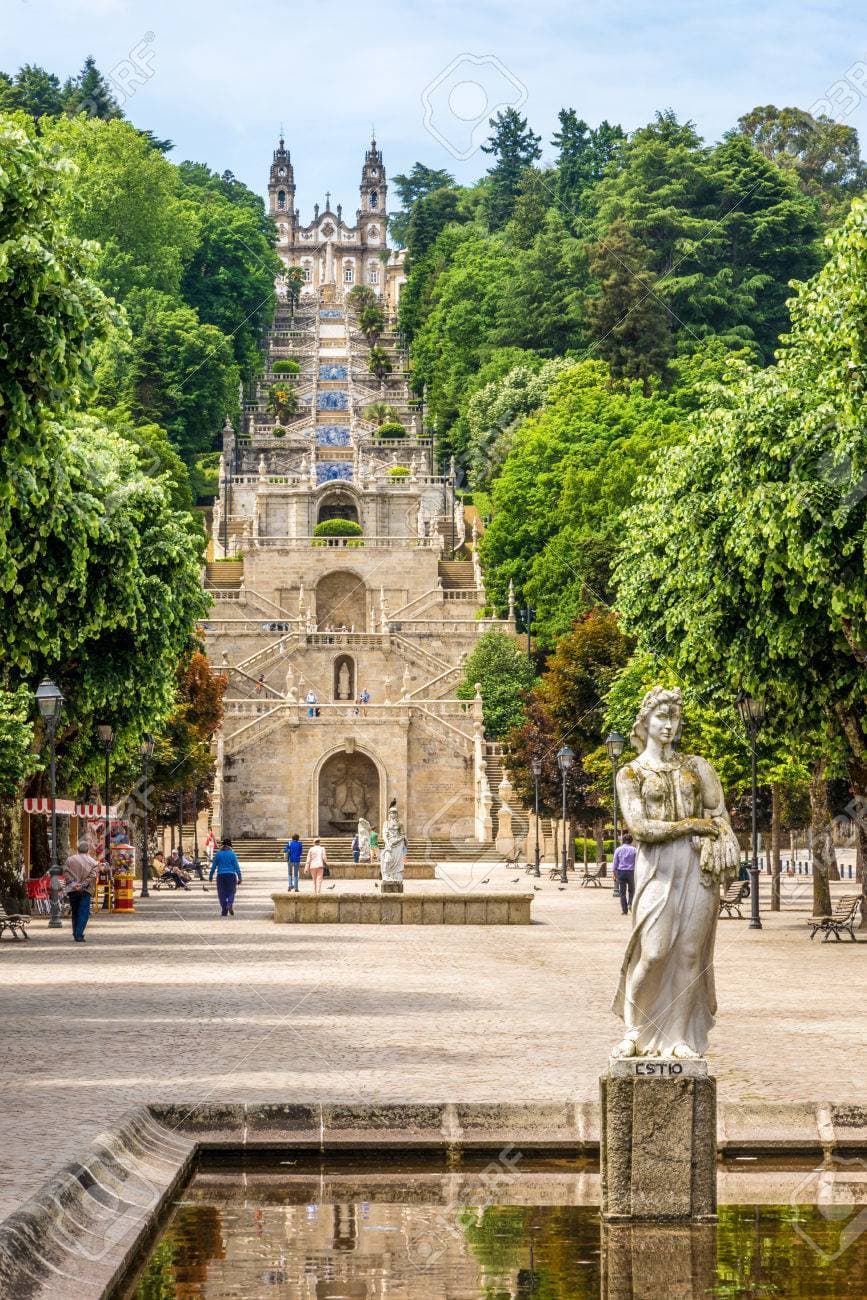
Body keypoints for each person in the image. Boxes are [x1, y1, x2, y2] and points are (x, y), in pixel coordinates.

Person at [63, 839, 100, 942]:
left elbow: (65, 872)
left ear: (78, 850)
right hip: (86, 890)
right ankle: (79, 934)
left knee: (75, 911)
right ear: (88, 850)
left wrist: (74, 884)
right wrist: (83, 885)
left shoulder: (70, 860)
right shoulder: (93, 862)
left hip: (72, 889)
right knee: (83, 912)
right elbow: (92, 876)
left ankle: (75, 932)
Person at [209, 838, 242, 915]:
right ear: (230, 846)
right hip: (231, 874)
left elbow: (213, 866)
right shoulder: (232, 854)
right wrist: (239, 877)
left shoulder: (218, 854)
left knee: (221, 893)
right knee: (231, 891)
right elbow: (236, 867)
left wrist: (210, 876)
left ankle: (224, 909)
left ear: (223, 845)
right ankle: (229, 904)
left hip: (220, 875)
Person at [612, 833, 636, 916]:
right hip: (631, 872)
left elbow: (615, 862)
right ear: (631, 841)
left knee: (622, 892)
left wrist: (614, 873)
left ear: (623, 841)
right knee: (632, 890)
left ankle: (624, 910)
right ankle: (630, 904)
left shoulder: (618, 850)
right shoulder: (634, 850)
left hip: (621, 872)